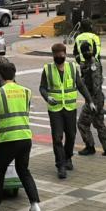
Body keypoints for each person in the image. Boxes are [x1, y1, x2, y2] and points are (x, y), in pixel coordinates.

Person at [0, 60, 41, 211]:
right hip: (25, 137)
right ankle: (35, 206)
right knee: (24, 171)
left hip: (8, 139)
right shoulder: (26, 91)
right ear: (14, 74)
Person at [39, 42, 91, 179]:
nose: (59, 57)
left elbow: (80, 85)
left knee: (71, 135)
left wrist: (89, 100)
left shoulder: (72, 68)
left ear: (65, 54)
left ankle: (68, 158)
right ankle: (60, 166)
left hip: (69, 108)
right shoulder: (48, 69)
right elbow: (42, 88)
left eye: (61, 55)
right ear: (53, 56)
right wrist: (47, 97)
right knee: (57, 138)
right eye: (56, 55)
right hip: (55, 110)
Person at [77, 42, 106, 157]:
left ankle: (90, 146)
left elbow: (96, 85)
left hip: (94, 99)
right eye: (84, 52)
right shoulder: (88, 64)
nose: (86, 53)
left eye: (87, 51)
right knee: (99, 123)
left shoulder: (93, 65)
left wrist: (92, 102)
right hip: (95, 99)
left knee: (82, 122)